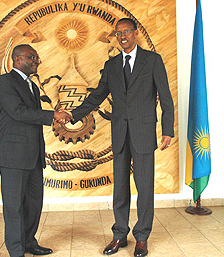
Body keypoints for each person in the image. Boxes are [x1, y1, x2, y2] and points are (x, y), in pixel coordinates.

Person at [66, 18, 174, 256]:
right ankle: (119, 235)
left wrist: (167, 130)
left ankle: (142, 237)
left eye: (126, 31)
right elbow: (96, 97)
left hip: (144, 133)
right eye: (118, 33)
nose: (122, 36)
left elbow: (165, 98)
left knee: (145, 187)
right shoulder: (112, 64)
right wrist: (73, 114)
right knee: (121, 187)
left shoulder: (153, 60)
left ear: (135, 33)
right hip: (120, 134)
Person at [0, 44, 70, 257]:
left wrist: (53, 115)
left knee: (33, 204)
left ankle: (29, 242)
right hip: (13, 155)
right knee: (14, 206)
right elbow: (18, 112)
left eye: (37, 58)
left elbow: (32, 116)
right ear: (17, 59)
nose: (37, 61)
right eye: (32, 57)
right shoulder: (5, 81)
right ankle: (16, 250)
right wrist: (51, 115)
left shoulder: (33, 87)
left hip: (33, 155)